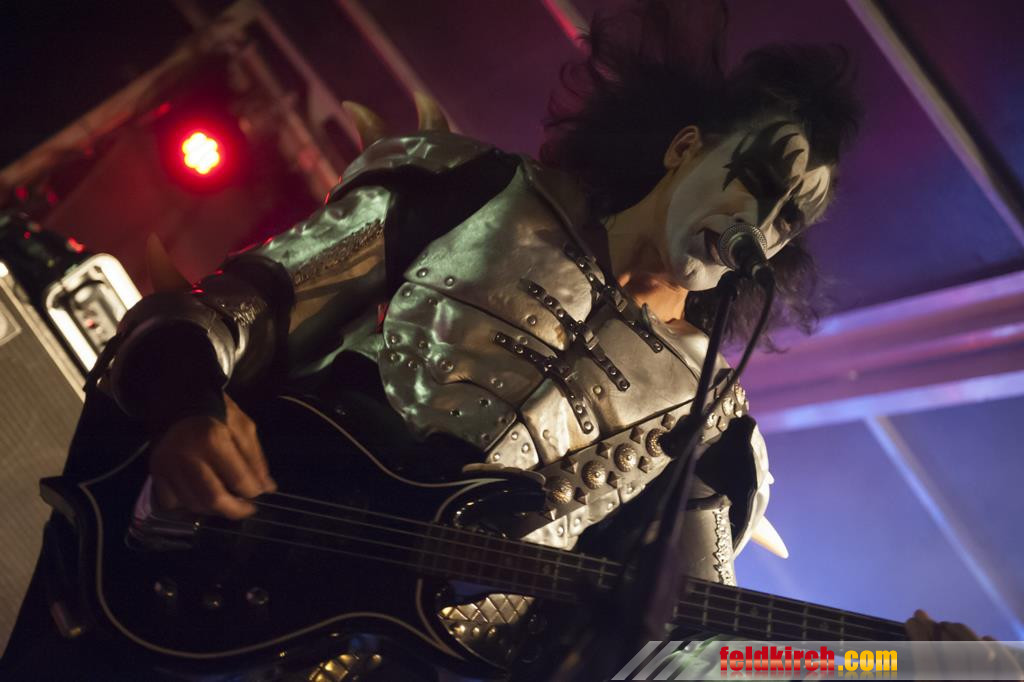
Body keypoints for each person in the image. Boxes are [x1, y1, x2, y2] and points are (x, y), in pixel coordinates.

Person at [1, 2, 999, 681]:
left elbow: (684, 658)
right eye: (758, 180)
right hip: (211, 559)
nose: (762, 224)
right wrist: (186, 407)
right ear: (687, 147)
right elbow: (239, 306)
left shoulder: (713, 431)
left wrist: (883, 664)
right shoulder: (477, 193)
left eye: (789, 219)